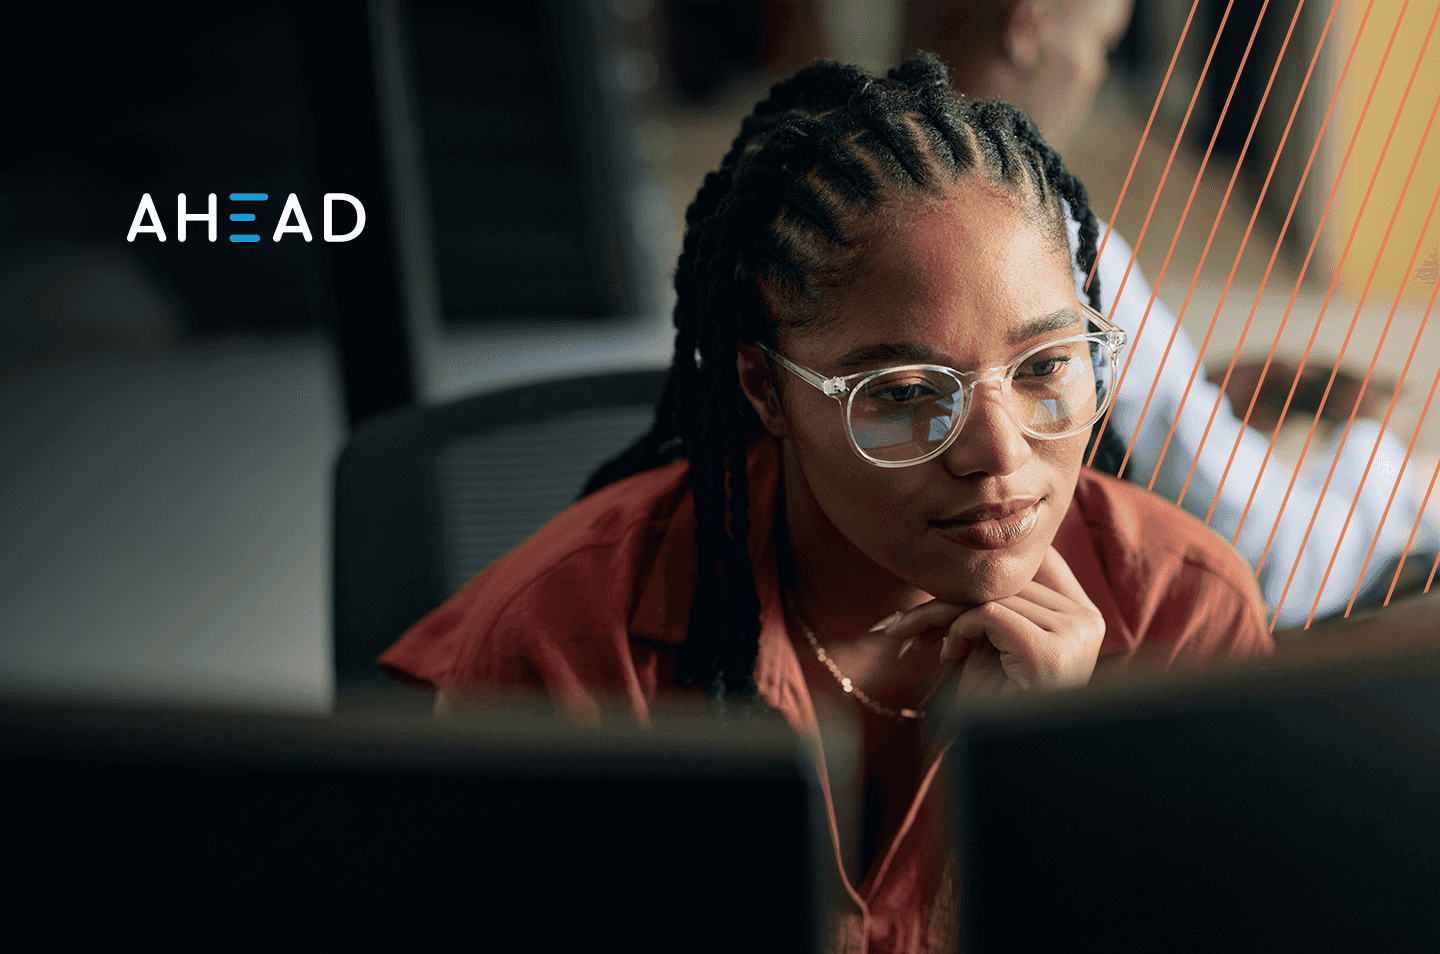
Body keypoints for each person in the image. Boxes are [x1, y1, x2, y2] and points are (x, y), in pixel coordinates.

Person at [381, 55, 1271, 953]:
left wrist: (1054, 771)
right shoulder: (566, 645)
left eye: (1045, 368)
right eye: (903, 391)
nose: (1001, 456)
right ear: (766, 391)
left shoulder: (1186, 616)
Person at [905, 0, 1440, 627]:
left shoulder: (831, 194)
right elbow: (1266, 546)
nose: (1093, 75)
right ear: (1030, 26)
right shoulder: (1059, 252)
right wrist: (1399, 489)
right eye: (1100, 44)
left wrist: (1216, 387)